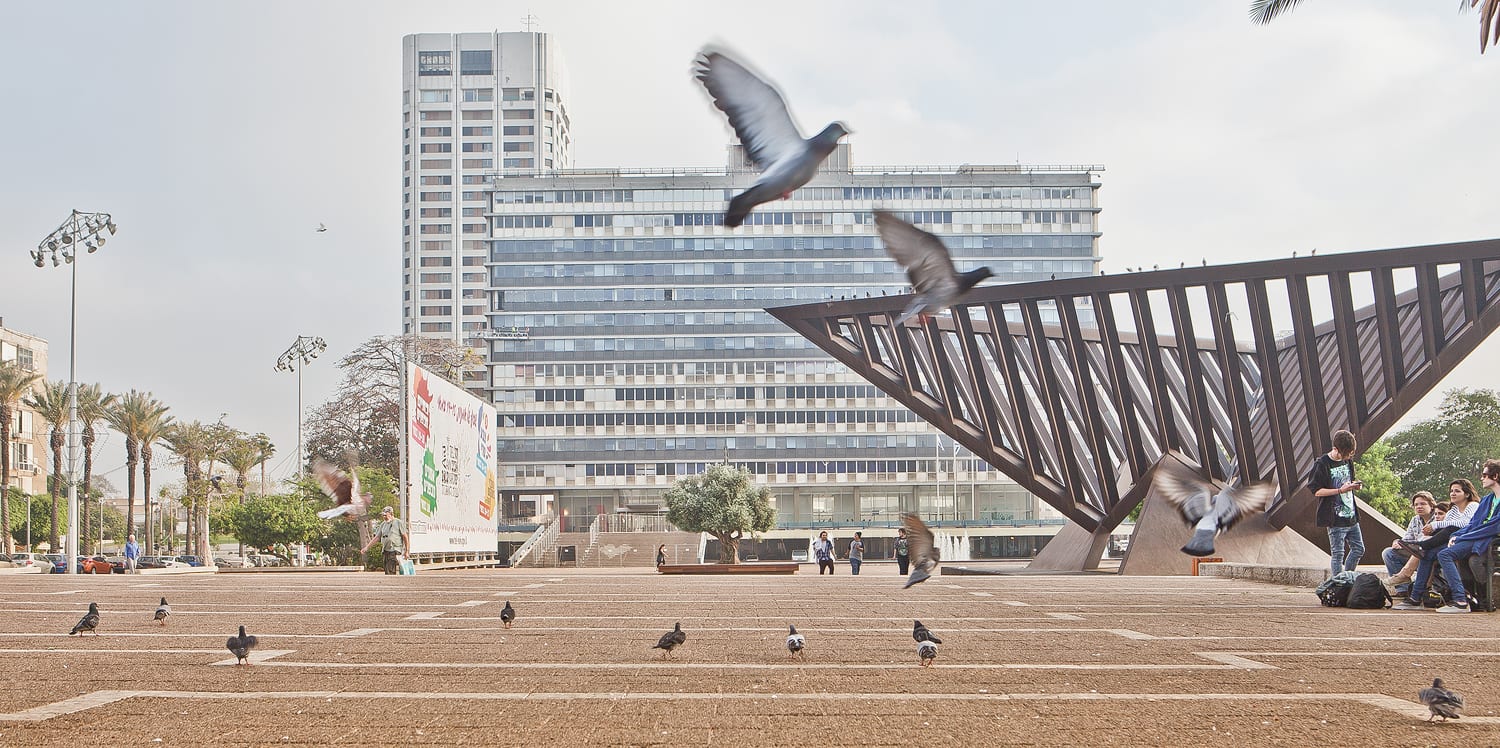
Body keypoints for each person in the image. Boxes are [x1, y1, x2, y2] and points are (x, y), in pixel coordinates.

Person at [1397, 461, 1500, 613]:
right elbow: (1472, 524)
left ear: (1496, 476)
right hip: (1473, 537)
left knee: (1445, 554)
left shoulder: (1479, 503)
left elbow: (1492, 527)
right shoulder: (1487, 500)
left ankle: (1460, 600)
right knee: (1427, 554)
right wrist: (1457, 535)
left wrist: (1461, 538)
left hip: (1485, 541)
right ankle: (1415, 598)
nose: (1482, 478)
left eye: (1484, 475)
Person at [1310, 429, 1363, 578]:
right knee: (1338, 554)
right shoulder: (1322, 464)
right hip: (1334, 517)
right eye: (1344, 455)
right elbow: (1316, 491)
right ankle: (1338, 584)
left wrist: (1355, 486)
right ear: (1335, 449)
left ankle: (1346, 578)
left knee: (1359, 549)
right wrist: (1339, 490)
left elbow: (1349, 481)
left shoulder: (1347, 460)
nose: (1346, 458)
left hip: (1351, 514)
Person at [1382, 491, 1436, 595]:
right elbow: (1407, 539)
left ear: (1431, 505)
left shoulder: (1438, 517)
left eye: (1423, 504)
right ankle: (1403, 589)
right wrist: (1398, 542)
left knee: (1423, 548)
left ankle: (1407, 577)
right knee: (1388, 552)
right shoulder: (1415, 520)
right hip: (1415, 553)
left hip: (1429, 553)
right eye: (1416, 505)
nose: (1419, 507)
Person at [361, 506, 410, 575]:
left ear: (390, 514)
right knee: (387, 569)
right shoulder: (383, 524)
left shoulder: (398, 522)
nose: (384, 517)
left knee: (390, 568)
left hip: (395, 549)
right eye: (383, 515)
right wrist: (367, 547)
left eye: (385, 515)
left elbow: (405, 537)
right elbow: (377, 537)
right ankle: (390, 582)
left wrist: (407, 551)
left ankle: (391, 582)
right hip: (385, 549)